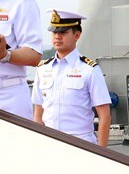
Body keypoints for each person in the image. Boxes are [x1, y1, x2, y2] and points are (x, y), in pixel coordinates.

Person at [32, 10, 111, 147]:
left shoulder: (90, 70)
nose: (57, 36)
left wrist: (102, 154)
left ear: (77, 35)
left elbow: (104, 116)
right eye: (54, 32)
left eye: (63, 32)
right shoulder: (42, 69)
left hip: (81, 145)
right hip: (49, 145)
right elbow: (38, 114)